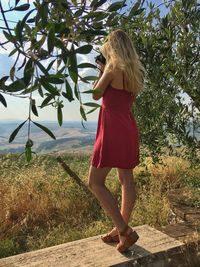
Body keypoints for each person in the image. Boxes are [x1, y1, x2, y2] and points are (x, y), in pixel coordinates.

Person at [87, 29, 145, 253]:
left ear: (111, 48)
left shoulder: (111, 68)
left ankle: (125, 231)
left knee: (95, 182)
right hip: (128, 128)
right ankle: (119, 232)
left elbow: (95, 94)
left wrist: (101, 71)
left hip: (112, 131)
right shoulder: (133, 73)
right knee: (126, 180)